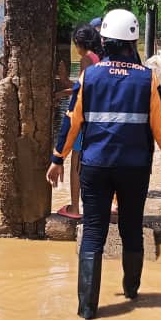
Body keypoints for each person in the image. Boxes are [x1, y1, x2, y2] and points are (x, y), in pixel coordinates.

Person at [46, 8, 161, 320]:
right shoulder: (147, 79)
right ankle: (131, 293)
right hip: (134, 168)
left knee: (93, 231)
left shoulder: (89, 76)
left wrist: (58, 159)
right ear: (133, 41)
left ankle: (87, 310)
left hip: (95, 166)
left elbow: (70, 122)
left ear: (104, 41)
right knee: (131, 227)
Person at [54, 22, 103, 219]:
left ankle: (75, 208)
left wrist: (64, 83)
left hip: (84, 117)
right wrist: (64, 89)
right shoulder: (101, 58)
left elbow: (81, 90)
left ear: (80, 43)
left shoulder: (86, 59)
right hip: (99, 117)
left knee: (76, 162)